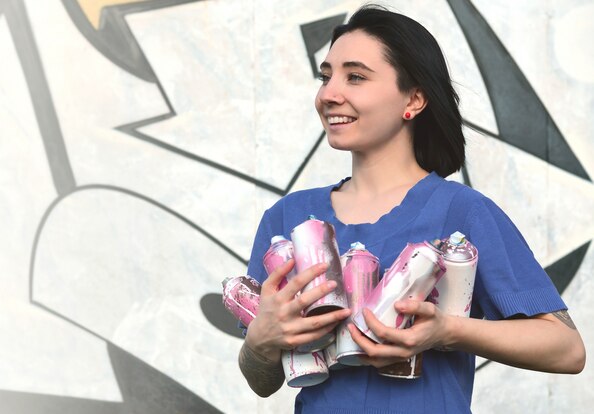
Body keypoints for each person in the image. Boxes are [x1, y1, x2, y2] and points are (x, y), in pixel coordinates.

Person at [238, 4, 585, 413]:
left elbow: (567, 350)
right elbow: (264, 383)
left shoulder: (462, 212)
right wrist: (259, 341)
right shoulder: (287, 219)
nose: (329, 94)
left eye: (356, 77)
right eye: (326, 76)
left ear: (414, 98)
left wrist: (446, 331)